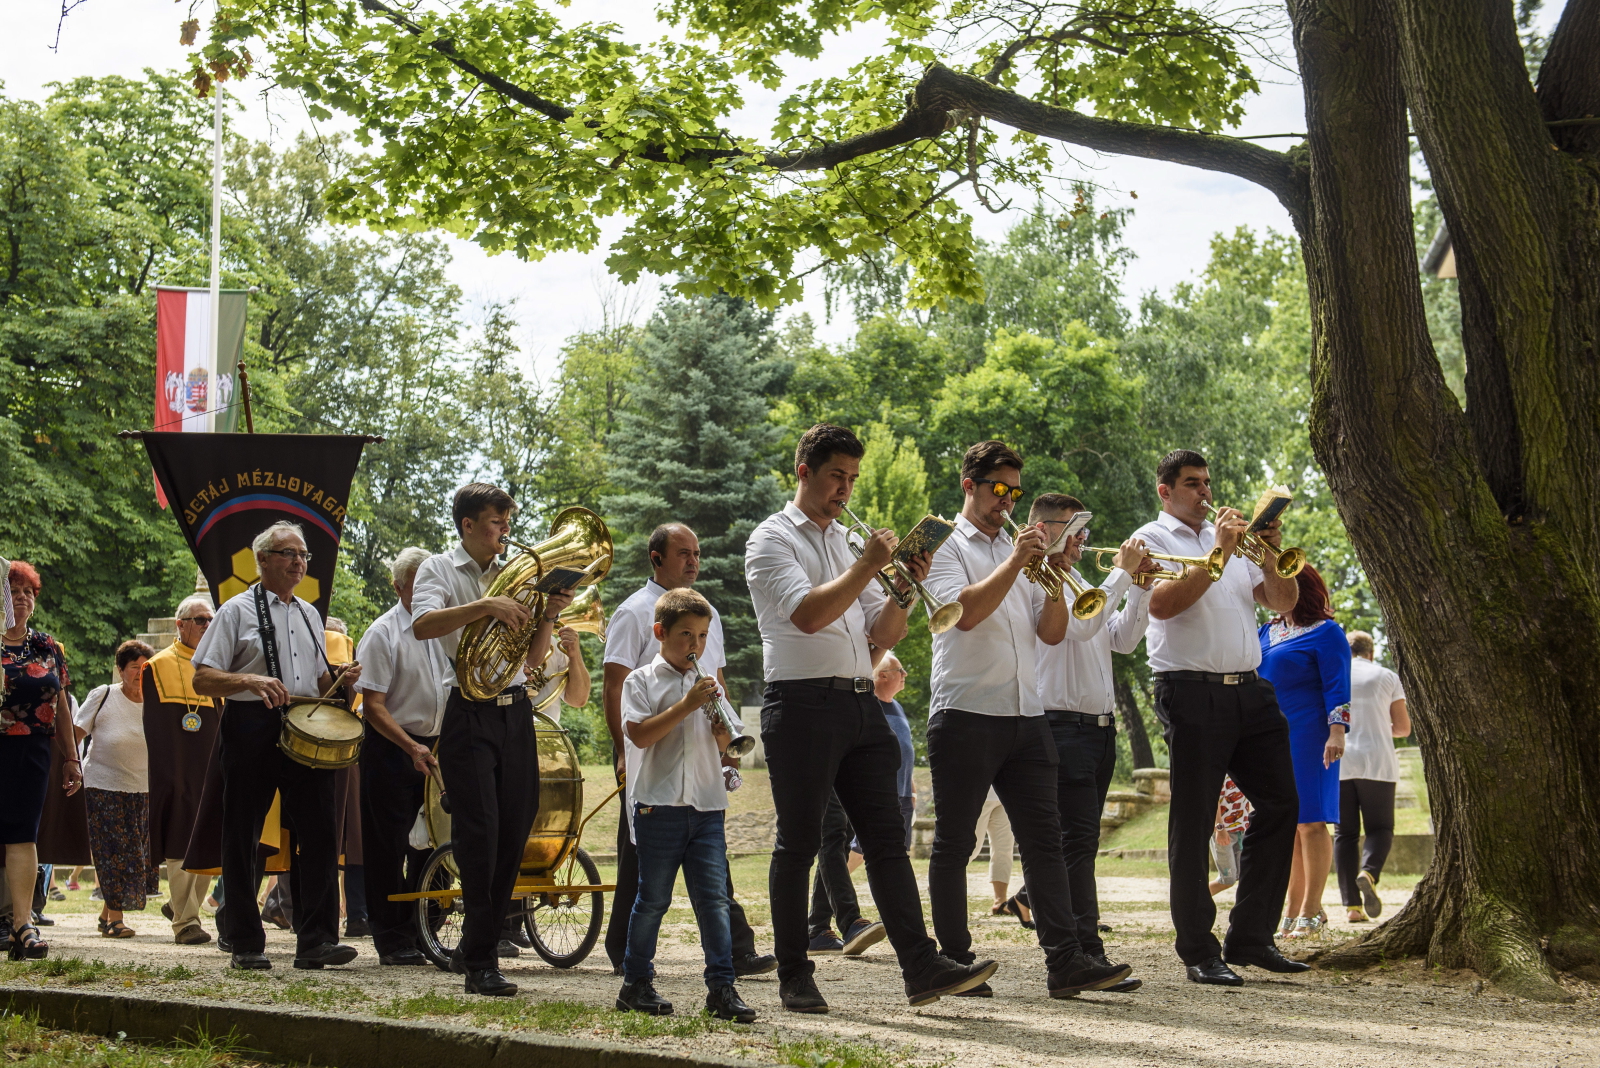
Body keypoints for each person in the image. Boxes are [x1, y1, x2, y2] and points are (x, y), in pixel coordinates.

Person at [746, 423, 995, 1012]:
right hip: (801, 704)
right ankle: (794, 973)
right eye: (837, 476)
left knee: (886, 841)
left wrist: (905, 583)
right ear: (804, 471)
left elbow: (880, 636)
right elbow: (808, 615)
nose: (846, 490)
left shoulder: (844, 544)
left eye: (853, 479)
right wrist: (869, 566)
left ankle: (921, 967)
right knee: (798, 842)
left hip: (860, 701)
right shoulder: (771, 538)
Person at [921, 441, 1131, 999]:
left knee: (1046, 841)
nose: (1007, 501)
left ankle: (1065, 960)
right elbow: (962, 616)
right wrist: (1017, 561)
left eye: (1015, 491)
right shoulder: (947, 545)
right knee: (955, 842)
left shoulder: (1024, 555)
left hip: (1027, 713)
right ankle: (955, 959)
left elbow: (1052, 632)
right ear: (970, 485)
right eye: (999, 490)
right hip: (965, 710)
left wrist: (1057, 575)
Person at [1133, 449, 1306, 986]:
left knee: (1282, 803)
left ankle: (1252, 937)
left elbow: (1282, 602)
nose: (1204, 493)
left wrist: (1271, 556)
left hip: (1252, 692)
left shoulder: (1231, 539)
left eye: (1206, 482)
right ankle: (1197, 950)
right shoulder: (1152, 539)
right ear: (1165, 491)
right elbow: (1161, 605)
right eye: (1191, 484)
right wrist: (1217, 553)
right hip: (1190, 691)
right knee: (1193, 818)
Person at [411, 483, 572, 996]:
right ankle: (481, 961)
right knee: (479, 835)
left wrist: (547, 613)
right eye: (497, 523)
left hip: (515, 710)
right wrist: (486, 607)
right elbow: (422, 625)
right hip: (468, 713)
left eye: (507, 522)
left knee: (514, 830)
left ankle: (473, 944)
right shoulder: (439, 569)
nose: (506, 532)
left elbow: (530, 660)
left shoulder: (519, 576)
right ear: (468, 525)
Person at [602, 523, 775, 978]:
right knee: (640, 864)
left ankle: (734, 954)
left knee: (712, 870)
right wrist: (622, 751)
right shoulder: (632, 612)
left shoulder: (705, 613)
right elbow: (616, 683)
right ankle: (625, 952)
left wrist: (728, 745)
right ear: (656, 557)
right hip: (652, 756)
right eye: (683, 553)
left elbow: (715, 677)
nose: (693, 561)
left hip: (698, 757)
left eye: (697, 553)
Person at [191, 520, 364, 972]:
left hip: (305, 721)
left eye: (303, 555)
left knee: (321, 830)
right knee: (242, 831)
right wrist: (248, 678)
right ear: (262, 560)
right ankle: (245, 940)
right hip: (251, 722)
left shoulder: (310, 614)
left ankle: (318, 941)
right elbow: (203, 675)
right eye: (289, 553)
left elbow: (319, 682)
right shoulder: (235, 611)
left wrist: (340, 679)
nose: (299, 562)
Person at [1027, 492, 1153, 990]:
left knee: (1082, 843)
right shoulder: (1041, 576)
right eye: (1075, 528)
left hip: (1097, 730)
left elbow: (1120, 638)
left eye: (1085, 529)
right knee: (1073, 846)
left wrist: (1139, 588)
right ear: (1047, 529)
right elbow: (1080, 629)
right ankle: (1083, 953)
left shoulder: (1080, 577)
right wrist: (1122, 573)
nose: (1084, 539)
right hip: (1062, 725)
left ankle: (1083, 951)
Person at [615, 588, 757, 1023]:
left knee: (714, 901)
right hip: (659, 805)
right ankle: (635, 982)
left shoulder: (708, 686)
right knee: (653, 899)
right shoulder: (640, 680)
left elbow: (729, 745)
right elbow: (639, 734)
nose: (694, 645)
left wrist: (720, 730)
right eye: (685, 635)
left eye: (701, 635)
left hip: (707, 806)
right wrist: (686, 705)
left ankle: (722, 987)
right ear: (660, 632)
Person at [356, 547, 448, 966]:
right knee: (388, 847)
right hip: (392, 749)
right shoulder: (383, 632)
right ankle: (391, 939)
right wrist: (410, 746)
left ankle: (421, 929)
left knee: (439, 844)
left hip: (439, 749)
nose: (431, 590)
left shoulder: (448, 626)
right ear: (398, 587)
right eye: (419, 583)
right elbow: (372, 705)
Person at [1257, 565, 1350, 939]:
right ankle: (1292, 911)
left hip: (1312, 735)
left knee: (1311, 822)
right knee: (1288, 828)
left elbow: (1337, 683)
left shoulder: (1327, 632)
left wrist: (1337, 731)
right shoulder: (1266, 631)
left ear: (1301, 587)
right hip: (1270, 737)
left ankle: (1313, 911)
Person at [1, 560, 83, 960]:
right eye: (13, 591)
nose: (21, 598)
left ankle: (22, 925)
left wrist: (71, 757)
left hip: (32, 749)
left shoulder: (47, 646)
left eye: (27, 593)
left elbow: (62, 703)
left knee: (22, 835)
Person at [143, 595, 220, 945]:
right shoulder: (157, 665)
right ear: (181, 625)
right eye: (200, 620)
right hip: (176, 767)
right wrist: (168, 775)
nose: (207, 625)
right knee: (179, 837)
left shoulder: (220, 666)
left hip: (212, 766)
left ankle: (182, 906)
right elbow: (156, 727)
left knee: (209, 839)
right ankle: (185, 921)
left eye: (210, 620)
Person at [74, 639, 157, 938]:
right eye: (135, 668)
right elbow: (75, 733)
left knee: (136, 854)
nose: (140, 674)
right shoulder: (104, 695)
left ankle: (105, 913)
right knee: (113, 854)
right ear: (121, 670)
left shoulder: (155, 701)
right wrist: (70, 766)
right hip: (103, 786)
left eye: (145, 668)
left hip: (142, 788)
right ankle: (115, 920)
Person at [1336, 631, 1409, 923]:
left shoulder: (1334, 675)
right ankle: (1369, 872)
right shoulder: (1386, 676)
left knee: (1345, 834)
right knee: (1380, 829)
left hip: (1340, 760)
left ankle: (1352, 908)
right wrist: (1381, 726)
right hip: (1377, 761)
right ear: (1371, 652)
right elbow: (1403, 728)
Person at [1209, 776, 1251, 897]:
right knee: (1227, 879)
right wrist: (1219, 828)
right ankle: (1194, 901)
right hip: (1223, 831)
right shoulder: (1220, 772)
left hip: (1242, 830)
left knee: (1242, 875)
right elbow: (1212, 799)